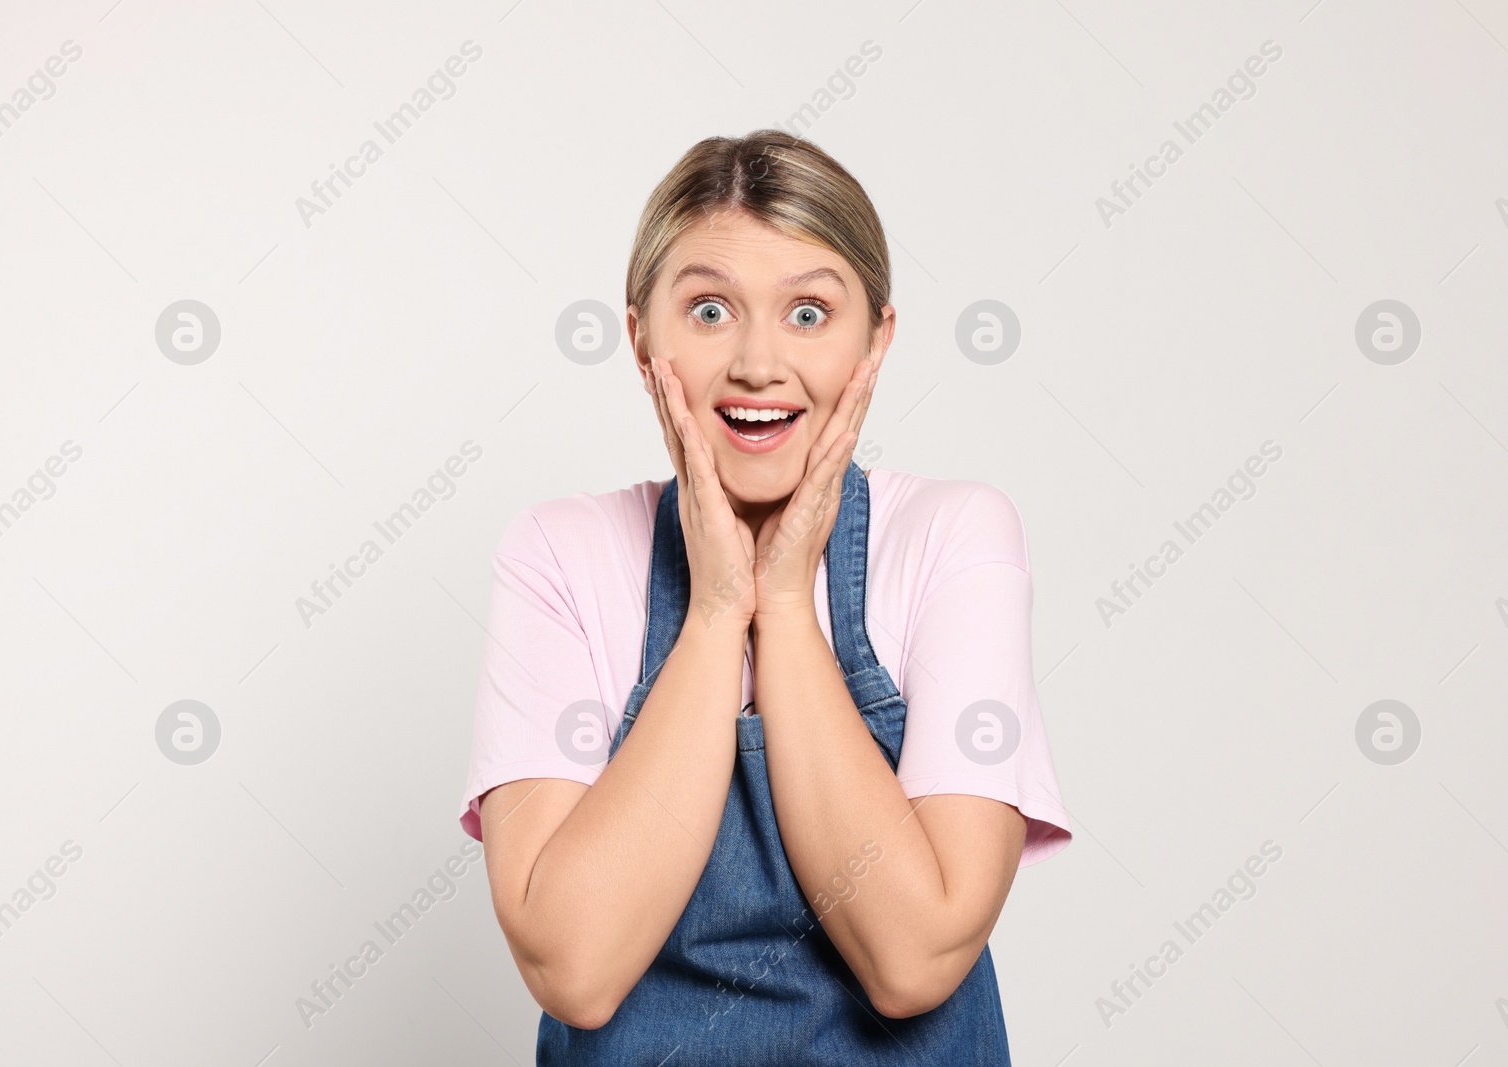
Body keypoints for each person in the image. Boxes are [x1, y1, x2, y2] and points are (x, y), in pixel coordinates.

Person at [459, 129, 1072, 1065]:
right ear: (640, 337)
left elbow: (914, 956)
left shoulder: (954, 538)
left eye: (810, 314)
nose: (756, 363)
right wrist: (713, 613)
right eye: (708, 310)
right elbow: (575, 966)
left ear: (878, 336)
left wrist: (784, 604)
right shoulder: (561, 554)